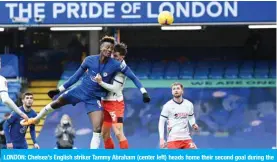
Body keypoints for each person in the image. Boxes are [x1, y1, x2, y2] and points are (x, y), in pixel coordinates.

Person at [22, 36, 151, 149]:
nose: (109, 50)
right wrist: (59, 89)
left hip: (95, 98)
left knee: (98, 129)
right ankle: (36, 119)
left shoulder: (116, 65)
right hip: (80, 90)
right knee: (57, 103)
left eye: (111, 48)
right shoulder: (89, 60)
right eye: (107, 47)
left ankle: (93, 156)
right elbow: (76, 77)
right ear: (101, 47)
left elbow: (133, 77)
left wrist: (143, 92)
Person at [95, 43, 129, 149]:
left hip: (116, 104)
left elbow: (115, 88)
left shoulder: (122, 69)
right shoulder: (108, 64)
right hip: (104, 103)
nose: (113, 57)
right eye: (112, 55)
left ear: (122, 57)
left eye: (116, 56)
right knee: (104, 134)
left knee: (118, 132)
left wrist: (100, 82)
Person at [159, 82, 198, 149]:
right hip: (173, 139)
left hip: (186, 138)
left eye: (178, 88)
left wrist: (193, 124)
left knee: (196, 156)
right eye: (174, 89)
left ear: (182, 91)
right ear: (172, 92)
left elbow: (191, 117)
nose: (176, 90)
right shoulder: (167, 106)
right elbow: (161, 122)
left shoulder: (189, 104)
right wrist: (161, 139)